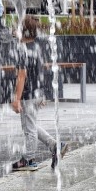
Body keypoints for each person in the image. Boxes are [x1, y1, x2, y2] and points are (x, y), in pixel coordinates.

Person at [11, 15, 66, 171]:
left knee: (29, 129)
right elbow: (41, 71)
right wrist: (42, 94)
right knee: (32, 125)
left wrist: (17, 99)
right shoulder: (36, 47)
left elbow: (22, 76)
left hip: (28, 95)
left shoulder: (22, 50)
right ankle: (55, 145)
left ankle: (29, 160)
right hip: (37, 93)